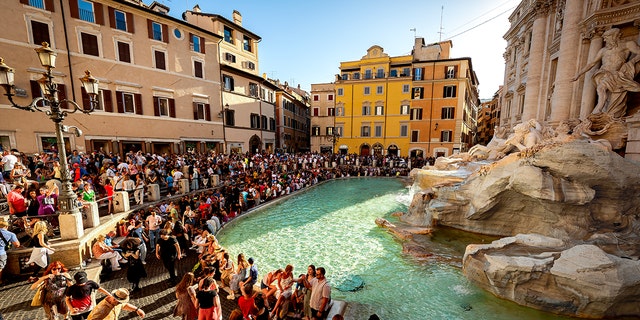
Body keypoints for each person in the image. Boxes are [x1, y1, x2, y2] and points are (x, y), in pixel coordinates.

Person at [573, 27, 640, 117]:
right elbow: (591, 63)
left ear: (613, 37)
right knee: (601, 88)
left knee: (612, 100)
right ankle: (599, 108)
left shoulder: (627, 45)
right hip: (604, 73)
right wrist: (579, 74)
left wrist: (632, 62)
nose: (604, 40)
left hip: (617, 75)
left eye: (606, 37)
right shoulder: (603, 51)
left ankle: (601, 110)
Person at [0, 218, 20, 284]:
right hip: (1, 253)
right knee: (0, 267)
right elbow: (17, 245)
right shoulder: (10, 234)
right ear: (6, 226)